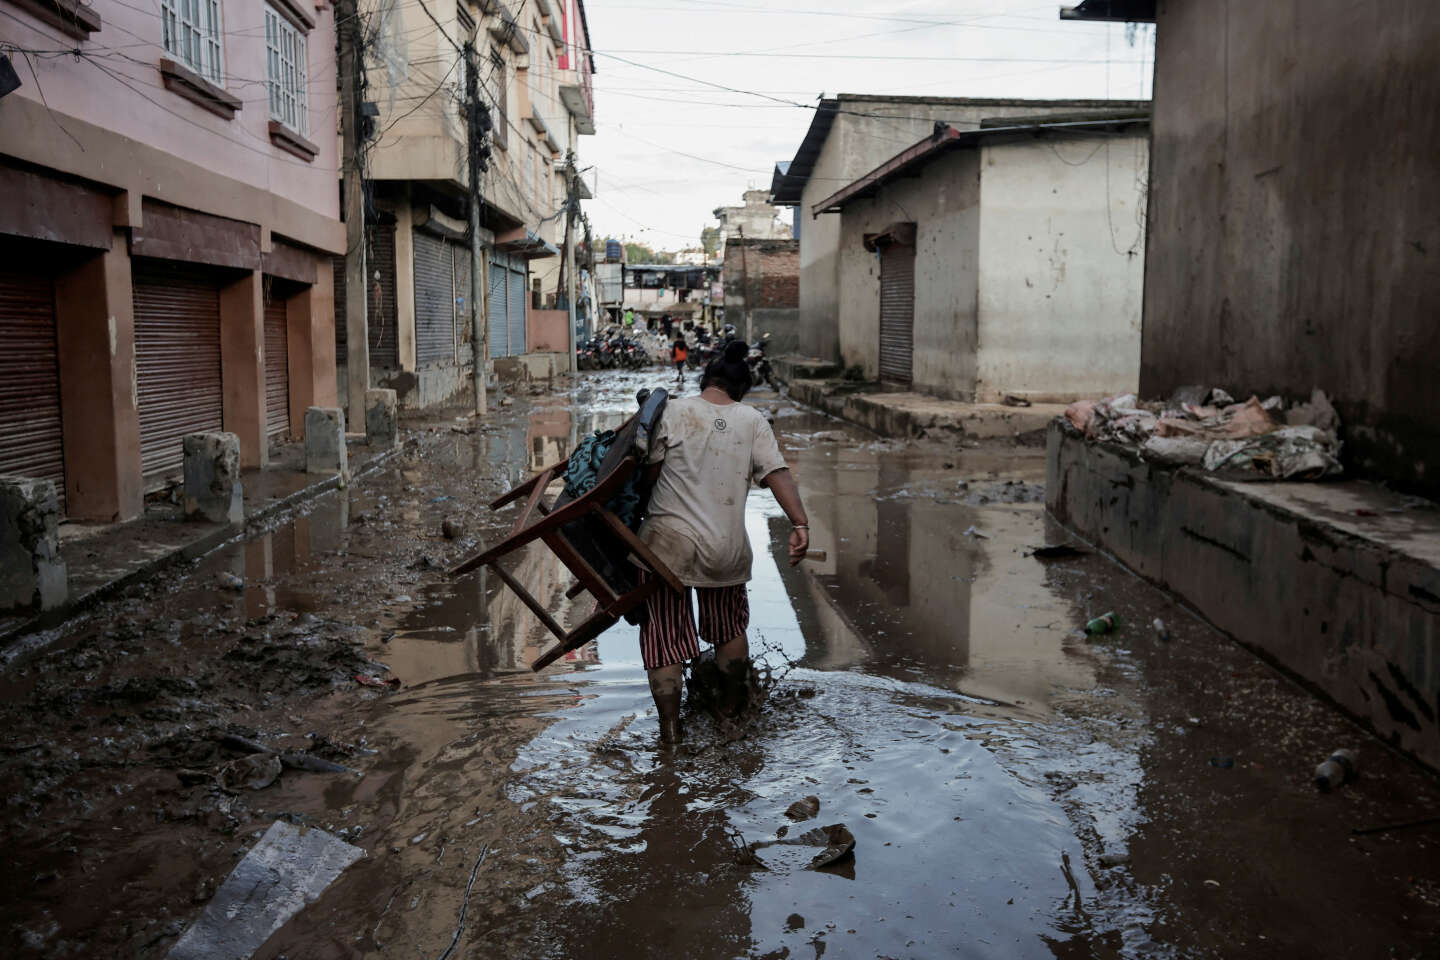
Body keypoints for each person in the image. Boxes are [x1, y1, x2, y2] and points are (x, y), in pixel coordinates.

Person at [635, 340, 809, 744]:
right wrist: (800, 524)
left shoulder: (673, 411)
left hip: (665, 546)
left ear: (705, 379)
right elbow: (777, 474)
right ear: (741, 390)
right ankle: (731, 720)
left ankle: (671, 732)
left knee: (664, 638)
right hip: (724, 549)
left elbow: (645, 476)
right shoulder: (752, 420)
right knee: (728, 629)